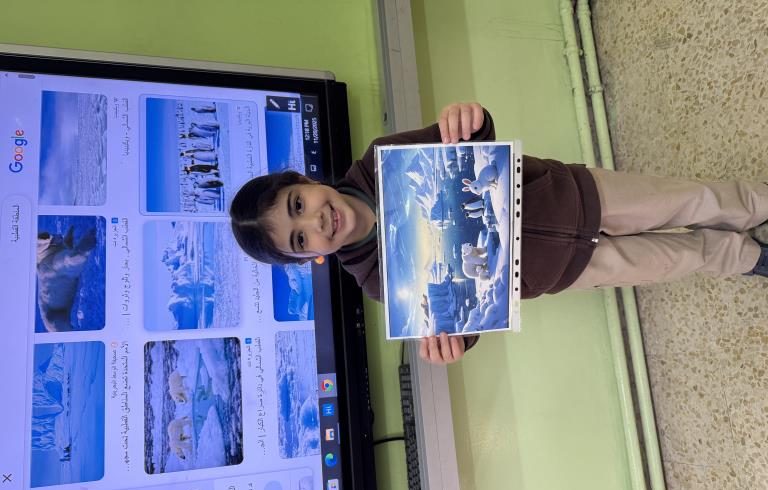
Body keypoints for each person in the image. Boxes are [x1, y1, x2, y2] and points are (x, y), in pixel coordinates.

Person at [230, 102, 768, 364]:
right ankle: (744, 257)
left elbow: (474, 139)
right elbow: (467, 308)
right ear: (310, 258)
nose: (315, 222)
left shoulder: (383, 158)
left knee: (688, 198)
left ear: (305, 181)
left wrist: (468, 119)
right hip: (561, 269)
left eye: (298, 205)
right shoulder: (379, 283)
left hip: (573, 193)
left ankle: (757, 204)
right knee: (671, 260)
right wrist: (456, 342)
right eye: (300, 239)